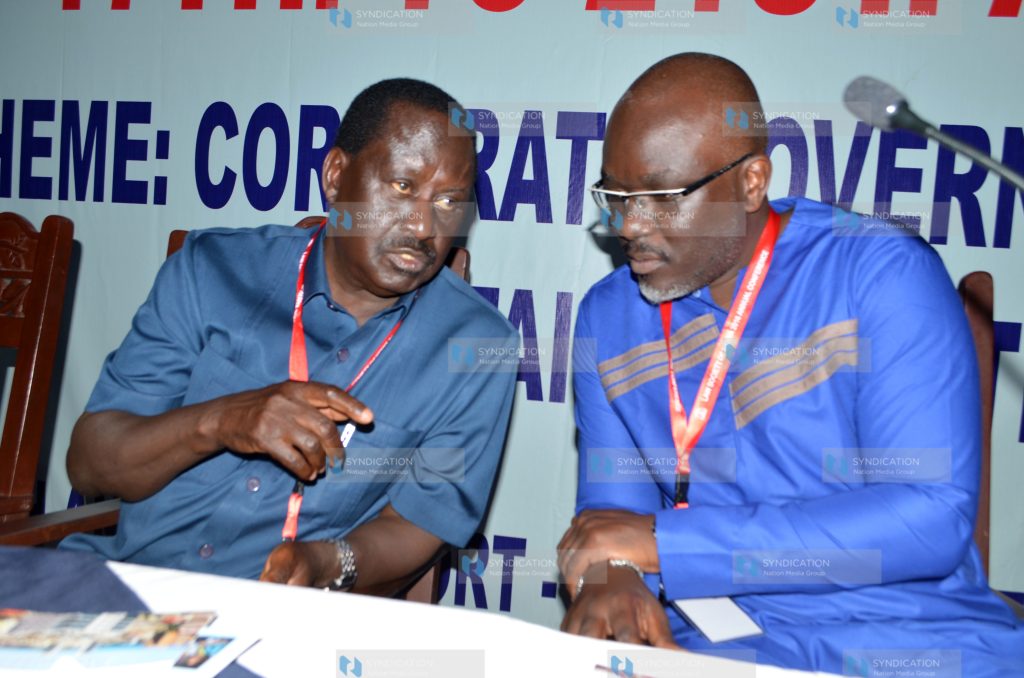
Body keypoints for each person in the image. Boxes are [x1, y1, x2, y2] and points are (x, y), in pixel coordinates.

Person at [558, 53, 1024, 676]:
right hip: (716, 646)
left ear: (752, 182)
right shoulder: (607, 319)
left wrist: (667, 545)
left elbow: (929, 519)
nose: (631, 227)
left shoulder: (879, 273)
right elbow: (612, 524)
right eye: (617, 197)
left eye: (663, 198)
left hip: (905, 637)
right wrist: (611, 576)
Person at [62, 78, 519, 596]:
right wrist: (220, 420)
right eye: (403, 187)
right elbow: (91, 464)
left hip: (288, 626)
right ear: (336, 175)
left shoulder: (477, 347)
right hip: (127, 592)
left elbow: (421, 523)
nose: (421, 226)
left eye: (449, 202)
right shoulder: (211, 271)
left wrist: (332, 562)